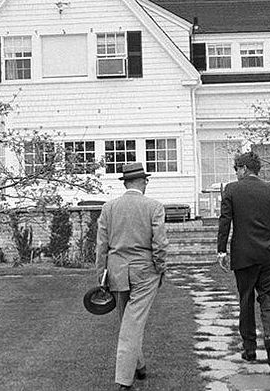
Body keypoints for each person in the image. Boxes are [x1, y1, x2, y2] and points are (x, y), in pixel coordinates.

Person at [216, 151, 270, 371]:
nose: (236, 173)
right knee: (268, 297)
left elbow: (225, 222)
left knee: (246, 300)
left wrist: (221, 251)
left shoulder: (232, 190)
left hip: (243, 255)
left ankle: (249, 349)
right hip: (267, 255)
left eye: (236, 169)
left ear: (242, 168)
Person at [96, 162, 169, 390]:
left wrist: (102, 277)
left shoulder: (109, 208)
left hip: (117, 271)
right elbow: (159, 244)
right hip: (145, 271)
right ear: (142, 182)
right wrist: (160, 267)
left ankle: (139, 366)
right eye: (146, 180)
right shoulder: (154, 206)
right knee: (132, 324)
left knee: (128, 321)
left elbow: (101, 246)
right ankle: (124, 381)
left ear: (126, 182)